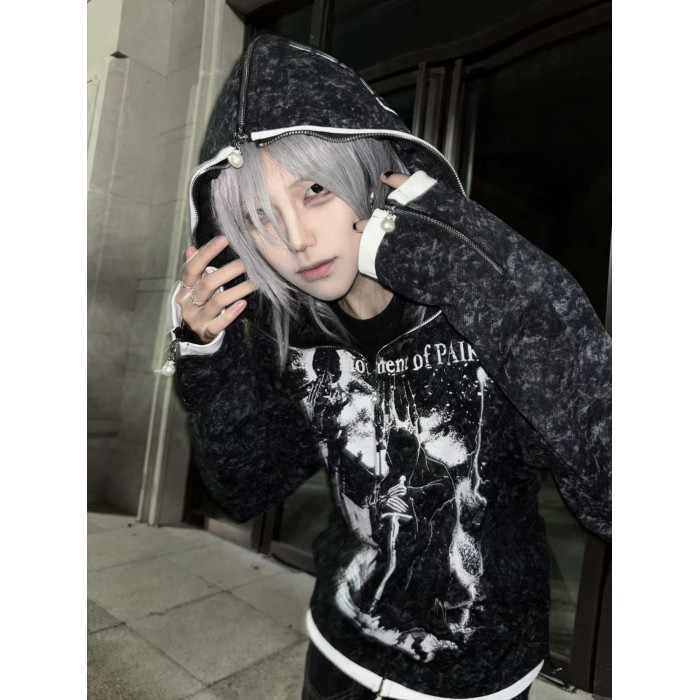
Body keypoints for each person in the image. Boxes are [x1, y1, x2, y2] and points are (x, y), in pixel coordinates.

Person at [165, 34, 611, 700]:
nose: (295, 240)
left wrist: (478, 271)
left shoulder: (475, 312)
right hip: (337, 648)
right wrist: (209, 356)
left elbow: (612, 491)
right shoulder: (293, 327)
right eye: (259, 216)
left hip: (475, 676)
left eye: (316, 190)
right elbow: (247, 486)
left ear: (376, 179)